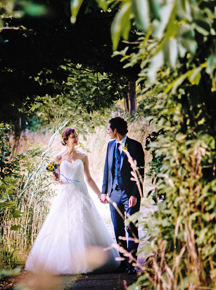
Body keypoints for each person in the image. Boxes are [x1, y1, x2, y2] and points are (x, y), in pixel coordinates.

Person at [25, 128, 120, 274]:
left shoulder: (83, 157)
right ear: (66, 140)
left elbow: (88, 178)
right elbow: (57, 179)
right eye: (72, 137)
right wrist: (56, 178)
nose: (75, 139)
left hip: (81, 193)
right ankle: (65, 262)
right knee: (63, 226)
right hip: (65, 194)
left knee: (84, 224)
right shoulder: (58, 158)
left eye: (76, 136)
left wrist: (100, 194)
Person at [99, 116, 145, 274]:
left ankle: (132, 264)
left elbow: (140, 172)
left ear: (115, 130)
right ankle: (123, 261)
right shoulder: (110, 145)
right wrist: (104, 191)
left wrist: (135, 194)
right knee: (118, 228)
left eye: (108, 129)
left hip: (130, 194)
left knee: (131, 227)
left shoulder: (135, 146)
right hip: (114, 193)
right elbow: (107, 169)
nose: (107, 132)